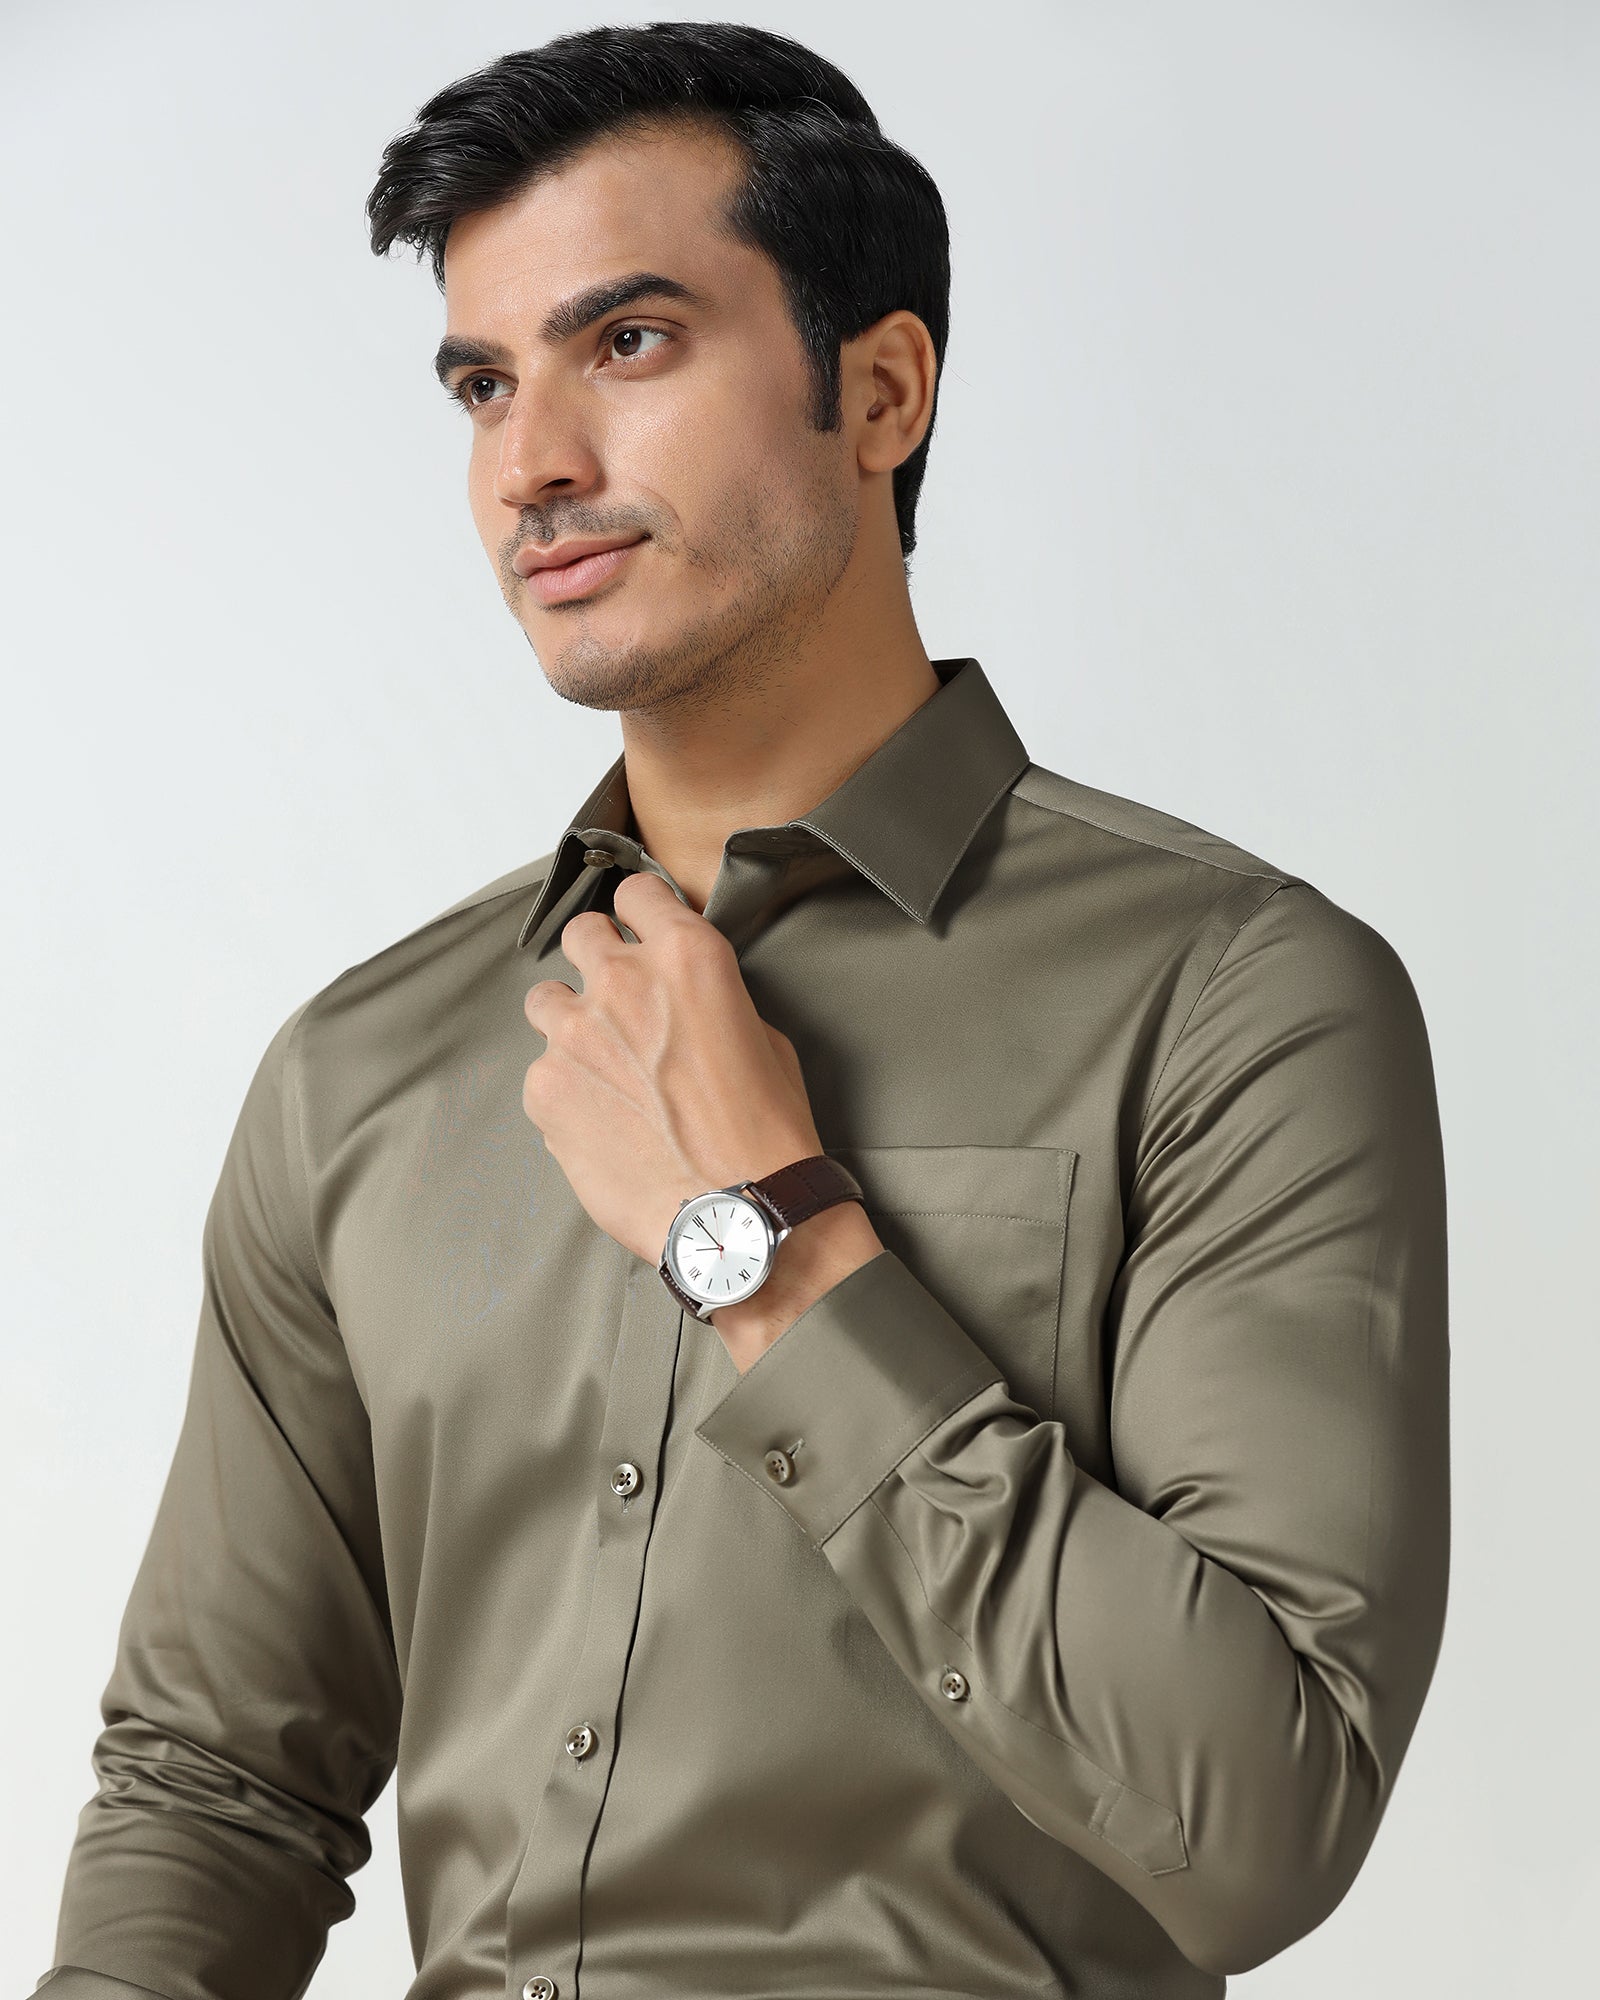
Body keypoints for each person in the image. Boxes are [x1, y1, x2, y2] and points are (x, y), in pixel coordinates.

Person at [32, 21, 1450, 2000]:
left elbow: (1257, 1822)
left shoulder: (1233, 1003)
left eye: (626, 343)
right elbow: (215, 1785)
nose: (530, 465)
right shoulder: (360, 1073)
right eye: (481, 382)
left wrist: (771, 1245)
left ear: (879, 389)